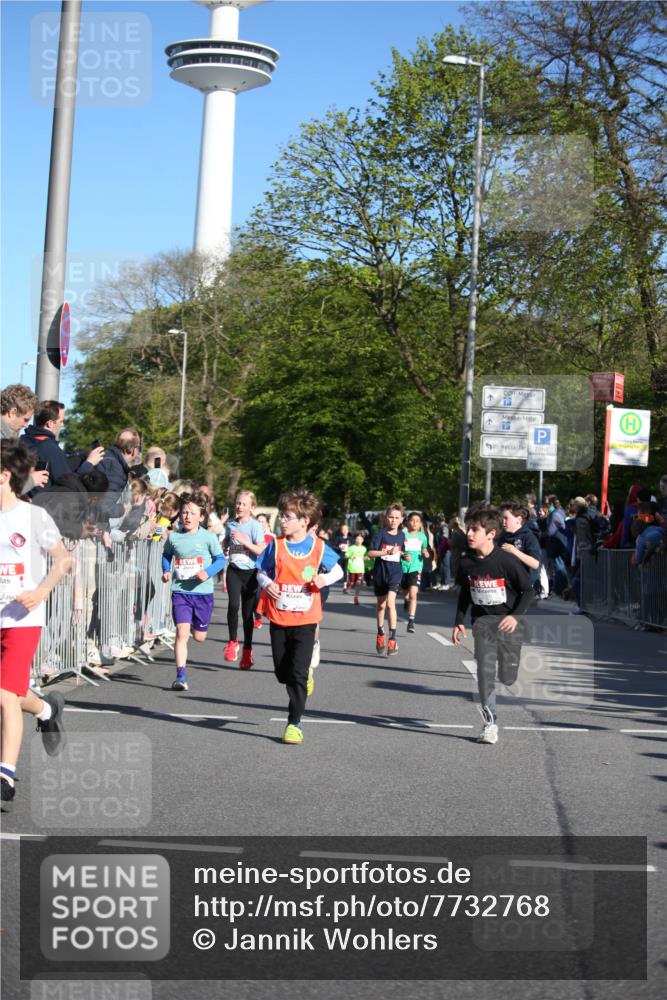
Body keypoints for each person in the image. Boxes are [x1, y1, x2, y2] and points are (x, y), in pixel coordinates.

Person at [0, 440, 71, 810]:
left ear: (5, 475)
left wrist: (41, 591)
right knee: (9, 691)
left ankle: (5, 774)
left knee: (3, 694)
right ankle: (46, 710)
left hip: (23, 619)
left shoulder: (33, 517)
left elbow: (63, 560)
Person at [256, 488, 342, 745]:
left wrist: (322, 579)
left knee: (297, 674)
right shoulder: (276, 546)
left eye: (287, 516)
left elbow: (338, 571)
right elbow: (260, 570)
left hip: (305, 620)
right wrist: (266, 583)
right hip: (280, 618)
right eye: (281, 515)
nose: (282, 520)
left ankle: (294, 724)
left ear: (304, 521)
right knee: (282, 673)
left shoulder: (318, 547)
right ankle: (304, 677)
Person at [452, 504, 533, 746]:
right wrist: (458, 621)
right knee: (485, 675)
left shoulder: (507, 561)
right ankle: (490, 724)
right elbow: (465, 594)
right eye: (468, 529)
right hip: (482, 625)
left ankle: (510, 668)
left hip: (509, 625)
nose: (468, 534)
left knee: (507, 677)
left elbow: (528, 591)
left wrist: (515, 616)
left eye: (474, 529)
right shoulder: (466, 564)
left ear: (491, 534)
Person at [162, 490, 227, 692]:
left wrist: (207, 573)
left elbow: (221, 560)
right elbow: (166, 556)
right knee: (182, 634)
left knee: (199, 637)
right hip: (180, 591)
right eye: (184, 512)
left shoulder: (208, 538)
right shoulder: (174, 537)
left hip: (202, 594)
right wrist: (165, 570)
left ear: (201, 516)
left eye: (192, 512)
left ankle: (193, 625)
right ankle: (181, 676)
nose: (187, 516)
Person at [223, 490, 265, 669]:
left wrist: (244, 541)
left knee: (247, 615)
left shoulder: (255, 526)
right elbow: (226, 541)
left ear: (251, 507)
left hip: (250, 574)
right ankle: (233, 642)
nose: (239, 506)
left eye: (244, 504)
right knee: (233, 605)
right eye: (238, 503)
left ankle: (247, 651)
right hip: (233, 570)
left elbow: (261, 550)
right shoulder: (230, 523)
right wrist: (225, 546)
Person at [367, 503, 409, 656]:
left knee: (391, 603)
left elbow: (401, 551)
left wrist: (405, 556)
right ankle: (380, 633)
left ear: (402, 519)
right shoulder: (381, 533)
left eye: (397, 517)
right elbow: (370, 553)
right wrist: (383, 552)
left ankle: (392, 638)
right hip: (380, 572)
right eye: (391, 517)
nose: (393, 520)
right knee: (381, 605)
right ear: (386, 518)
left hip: (395, 572)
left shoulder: (402, 535)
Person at [0, 384, 48, 492]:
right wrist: (31, 480)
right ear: (12, 412)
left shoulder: (8, 438)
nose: (26, 425)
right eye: (25, 419)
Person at [400, 511, 429, 633]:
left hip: (416, 567)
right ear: (408, 522)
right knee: (406, 593)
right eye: (412, 520)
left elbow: (425, 548)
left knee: (413, 594)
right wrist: (403, 555)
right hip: (402, 567)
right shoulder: (403, 534)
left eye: (417, 521)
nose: (415, 523)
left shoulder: (422, 536)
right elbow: (397, 549)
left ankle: (411, 621)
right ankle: (406, 600)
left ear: (420, 523)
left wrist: (426, 553)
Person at [253, 512, 275, 629]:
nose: (260, 524)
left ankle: (266, 611)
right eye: (258, 521)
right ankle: (257, 618)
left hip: (267, 570)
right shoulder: (251, 535)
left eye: (262, 521)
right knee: (255, 594)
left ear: (266, 524)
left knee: (266, 594)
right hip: (253, 568)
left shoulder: (272, 537)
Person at [345, 532, 367, 606]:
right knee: (352, 582)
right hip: (352, 568)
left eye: (360, 539)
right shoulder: (351, 548)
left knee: (358, 583)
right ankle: (348, 587)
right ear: (355, 540)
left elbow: (365, 557)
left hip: (360, 568)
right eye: (357, 539)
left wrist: (366, 559)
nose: (358, 540)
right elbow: (346, 555)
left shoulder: (364, 549)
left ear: (362, 540)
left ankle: (356, 597)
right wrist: (350, 557)